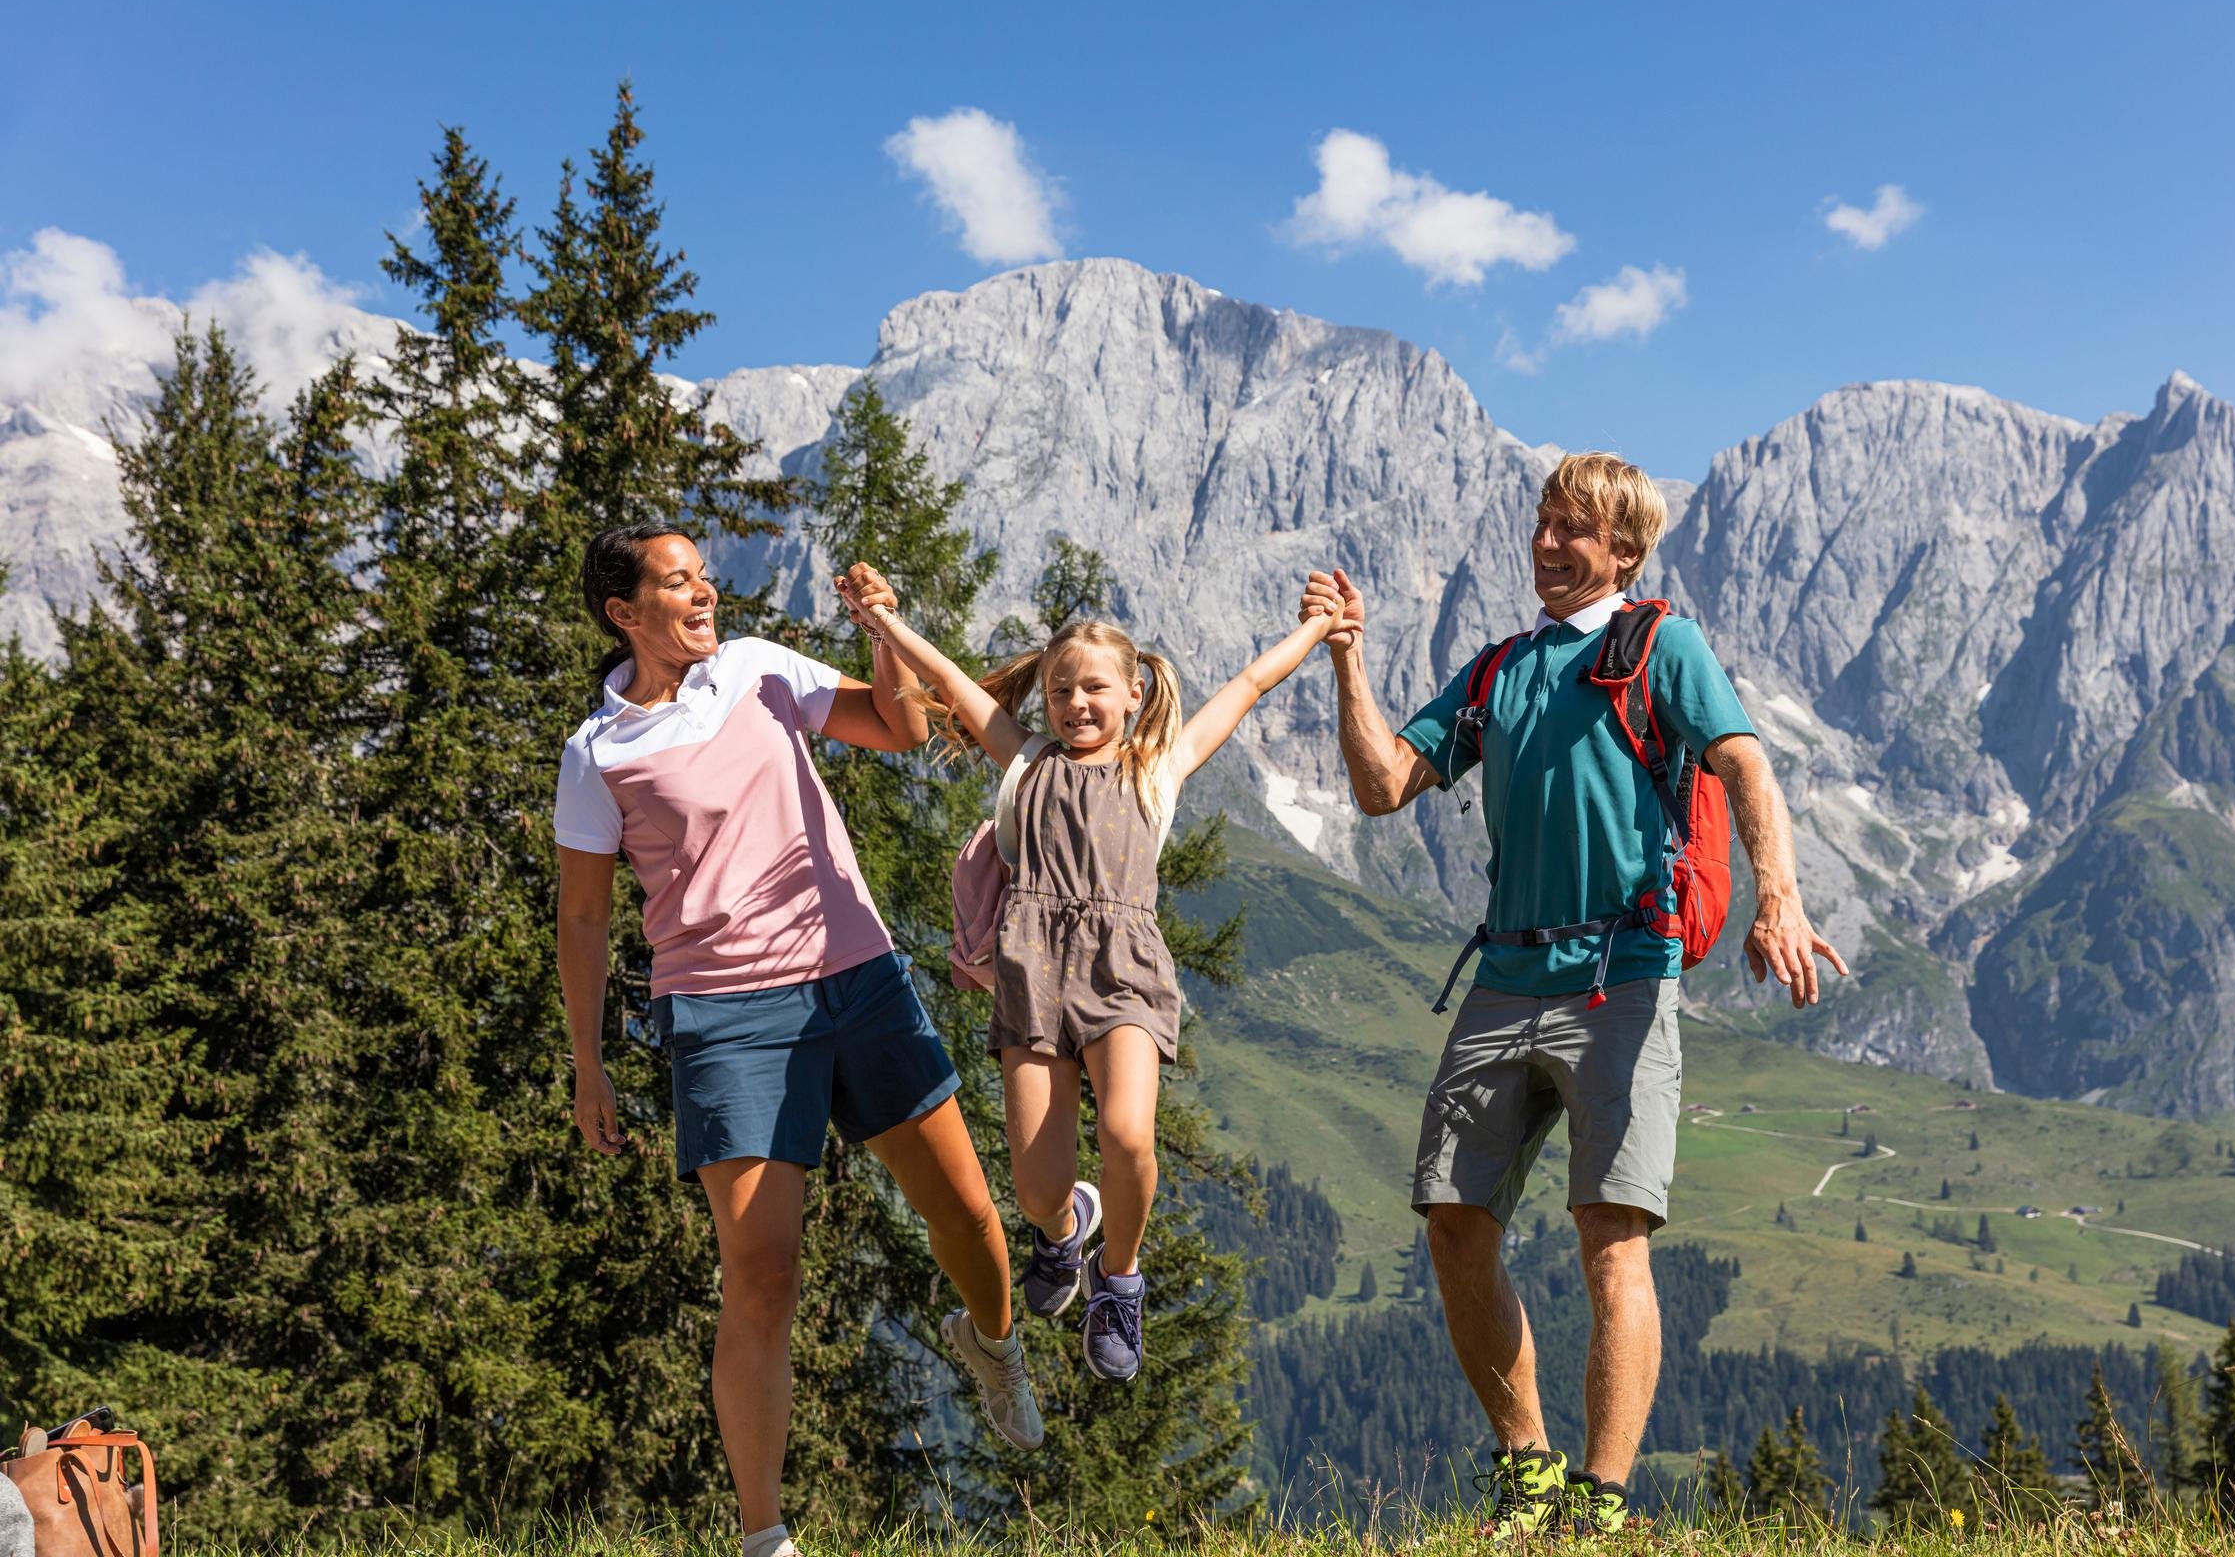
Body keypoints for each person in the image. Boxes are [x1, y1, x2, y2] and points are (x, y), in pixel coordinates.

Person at [1302, 453, 1847, 1538]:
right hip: (1503, 976)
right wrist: (1348, 660)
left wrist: (1777, 898)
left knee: (1612, 1236)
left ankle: (1597, 1504)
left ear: (1625, 552)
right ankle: (1528, 1468)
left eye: (1576, 530)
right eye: (1545, 522)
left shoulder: (1661, 644)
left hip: (1621, 981)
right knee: (1453, 1222)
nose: (1550, 543)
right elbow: (1379, 788)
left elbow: (1745, 766)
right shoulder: (1498, 667)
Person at [554, 524, 1041, 1557]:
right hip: (726, 1017)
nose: (705, 594)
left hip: (857, 979)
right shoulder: (597, 752)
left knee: (969, 1219)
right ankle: (764, 1537)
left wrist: (882, 632)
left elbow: (897, 727)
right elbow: (585, 919)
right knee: (763, 1273)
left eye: (703, 577)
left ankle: (991, 1342)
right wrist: (589, 1063)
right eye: (679, 583)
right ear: (624, 613)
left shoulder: (759, 671)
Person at [837, 562, 1332, 1380]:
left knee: (1130, 1133)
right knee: (1036, 1191)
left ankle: (1119, 1280)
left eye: (1097, 689)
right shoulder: (1025, 762)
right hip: (1031, 973)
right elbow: (953, 683)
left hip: (1125, 970)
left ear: (1135, 694)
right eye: (1062, 690)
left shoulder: (1157, 769)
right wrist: (883, 621)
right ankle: (1066, 1231)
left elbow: (1247, 684)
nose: (1077, 704)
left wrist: (1316, 629)